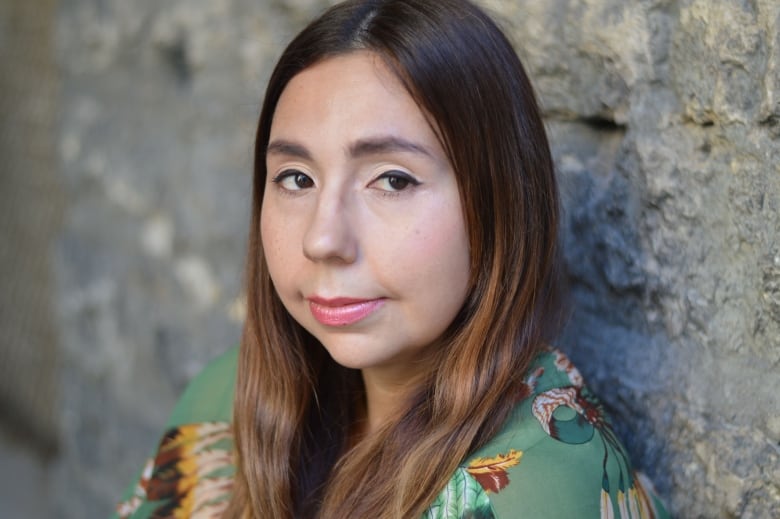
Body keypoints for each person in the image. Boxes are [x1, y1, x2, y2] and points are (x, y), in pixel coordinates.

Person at [115, 0, 669, 517]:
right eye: (296, 178)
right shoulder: (227, 402)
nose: (323, 239)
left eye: (393, 180)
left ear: (500, 205)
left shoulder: (530, 487)